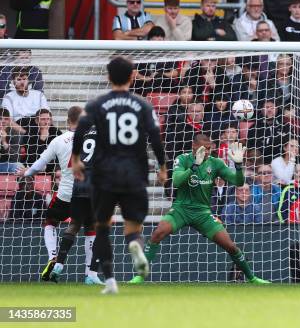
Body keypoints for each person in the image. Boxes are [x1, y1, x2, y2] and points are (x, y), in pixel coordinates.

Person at [70, 56, 168, 294]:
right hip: (134, 173)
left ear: (108, 77)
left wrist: (75, 159)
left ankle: (110, 280)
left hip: (104, 174)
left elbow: (80, 129)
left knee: (102, 226)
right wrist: (163, 167)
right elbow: (155, 136)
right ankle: (135, 245)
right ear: (133, 76)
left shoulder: (96, 104)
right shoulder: (143, 105)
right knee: (133, 226)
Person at [130, 133, 268, 283]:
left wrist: (239, 166)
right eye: (204, 148)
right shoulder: (182, 159)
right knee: (158, 233)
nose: (207, 152)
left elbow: (238, 182)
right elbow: (176, 181)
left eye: (209, 148)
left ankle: (252, 278)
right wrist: (195, 166)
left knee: (231, 246)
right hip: (181, 209)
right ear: (194, 146)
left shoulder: (216, 163)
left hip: (202, 212)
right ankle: (140, 276)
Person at [18, 107, 102, 284]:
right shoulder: (92, 138)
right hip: (88, 192)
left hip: (65, 193)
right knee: (91, 229)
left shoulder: (58, 140)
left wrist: (26, 172)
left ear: (67, 120)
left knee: (50, 221)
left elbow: (40, 165)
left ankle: (53, 256)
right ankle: (89, 274)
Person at [0, 107, 23, 174]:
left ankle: (24, 183)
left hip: (6, 165)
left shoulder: (14, 133)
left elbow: (16, 158)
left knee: (18, 166)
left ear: (9, 120)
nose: (3, 121)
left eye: (6, 119)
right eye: (0, 119)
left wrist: (4, 142)